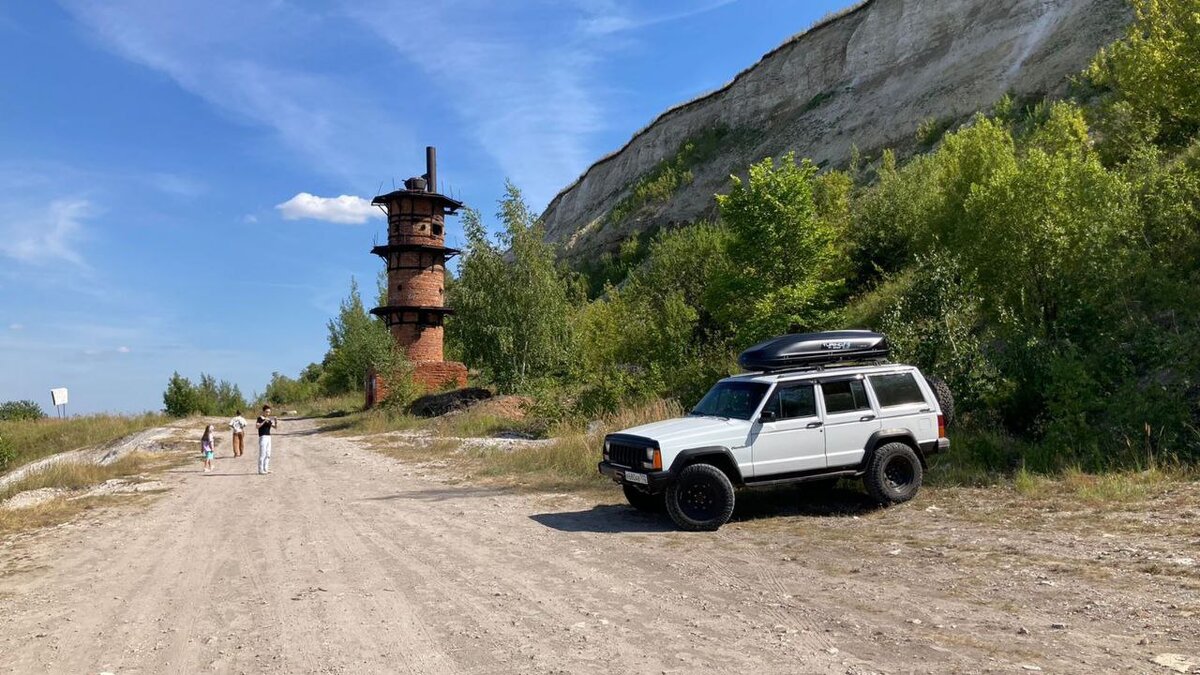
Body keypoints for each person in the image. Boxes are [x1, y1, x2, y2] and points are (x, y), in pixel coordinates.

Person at [256, 405, 278, 475]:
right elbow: (257, 426)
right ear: (263, 411)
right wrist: (264, 421)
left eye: (269, 412)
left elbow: (275, 427)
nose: (268, 413)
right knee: (262, 453)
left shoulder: (268, 419)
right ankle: (260, 469)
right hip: (263, 437)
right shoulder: (260, 418)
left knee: (268, 453)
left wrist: (275, 421)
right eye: (266, 412)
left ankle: (266, 468)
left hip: (268, 437)